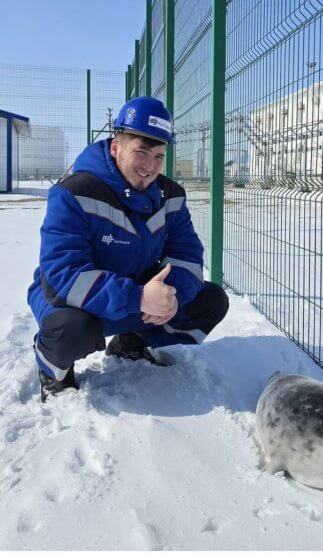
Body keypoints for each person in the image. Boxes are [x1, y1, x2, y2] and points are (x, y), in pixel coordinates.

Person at [27, 96, 229, 401]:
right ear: (115, 147)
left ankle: (131, 340)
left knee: (210, 300)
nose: (150, 167)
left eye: (159, 156)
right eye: (141, 152)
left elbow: (188, 257)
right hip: (70, 297)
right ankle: (52, 366)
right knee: (70, 329)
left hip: (137, 297)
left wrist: (170, 299)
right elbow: (64, 273)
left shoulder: (170, 196)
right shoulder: (74, 193)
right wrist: (138, 298)